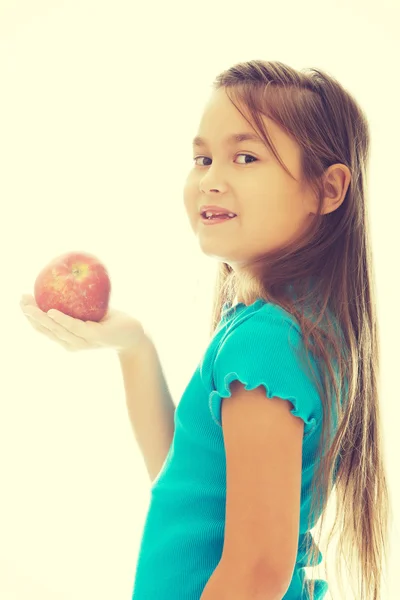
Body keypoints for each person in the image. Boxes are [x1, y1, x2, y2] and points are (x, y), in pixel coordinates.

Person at [20, 59, 392, 600]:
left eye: (245, 157)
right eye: (202, 158)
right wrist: (134, 346)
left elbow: (258, 571)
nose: (211, 179)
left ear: (326, 191)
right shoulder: (270, 328)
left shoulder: (265, 342)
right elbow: (187, 487)